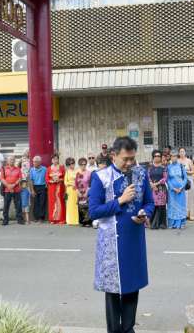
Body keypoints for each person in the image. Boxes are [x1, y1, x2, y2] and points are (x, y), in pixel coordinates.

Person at [88, 136, 154, 333]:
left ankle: (128, 328)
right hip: (111, 243)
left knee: (132, 286)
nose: (129, 163)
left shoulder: (141, 174)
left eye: (132, 158)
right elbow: (94, 211)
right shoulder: (101, 177)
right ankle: (114, 330)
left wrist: (145, 213)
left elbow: (149, 202)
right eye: (125, 159)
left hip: (134, 239)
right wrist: (121, 200)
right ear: (113, 155)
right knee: (113, 290)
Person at [167, 150, 188, 229]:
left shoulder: (181, 166)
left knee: (181, 205)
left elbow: (185, 178)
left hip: (181, 190)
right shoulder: (168, 167)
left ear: (177, 157)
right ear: (170, 157)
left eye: (175, 156)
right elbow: (167, 179)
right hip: (172, 190)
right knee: (172, 206)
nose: (174, 158)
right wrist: (173, 188)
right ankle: (172, 224)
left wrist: (181, 187)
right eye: (172, 156)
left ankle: (181, 223)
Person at [0, 156, 23, 225]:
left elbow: (20, 178)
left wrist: (13, 185)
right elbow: (2, 179)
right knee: (6, 206)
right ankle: (5, 220)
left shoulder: (18, 169)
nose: (12, 161)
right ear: (7, 161)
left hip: (16, 190)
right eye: (10, 160)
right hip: (7, 190)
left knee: (18, 205)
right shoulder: (3, 169)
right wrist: (8, 186)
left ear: (15, 161)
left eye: (13, 160)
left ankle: (19, 220)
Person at [148, 150, 167, 229]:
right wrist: (152, 184)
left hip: (161, 189)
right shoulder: (150, 168)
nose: (157, 157)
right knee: (153, 205)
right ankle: (153, 223)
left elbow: (165, 178)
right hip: (152, 189)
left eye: (159, 156)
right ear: (153, 157)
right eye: (155, 156)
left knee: (161, 206)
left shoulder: (163, 168)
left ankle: (161, 224)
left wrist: (156, 184)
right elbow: (147, 177)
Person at [46, 154, 66, 225]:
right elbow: (46, 178)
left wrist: (59, 179)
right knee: (52, 202)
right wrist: (51, 181)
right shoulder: (49, 168)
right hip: (52, 187)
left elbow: (65, 177)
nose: (55, 160)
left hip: (59, 187)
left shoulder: (61, 168)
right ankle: (52, 219)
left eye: (56, 159)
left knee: (60, 202)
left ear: (58, 159)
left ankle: (61, 219)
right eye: (53, 159)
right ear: (51, 160)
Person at [179, 148, 194, 221]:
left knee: (190, 198)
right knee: (182, 198)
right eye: (180, 151)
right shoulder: (177, 161)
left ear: (185, 152)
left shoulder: (189, 161)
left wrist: (186, 172)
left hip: (188, 181)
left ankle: (191, 214)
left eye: (183, 151)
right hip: (180, 181)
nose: (182, 153)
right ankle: (183, 214)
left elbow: (193, 171)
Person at [29, 155, 47, 223]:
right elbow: (31, 180)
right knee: (36, 203)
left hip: (43, 187)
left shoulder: (44, 169)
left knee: (42, 203)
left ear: (39, 162)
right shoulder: (32, 169)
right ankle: (36, 217)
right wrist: (32, 190)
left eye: (35, 162)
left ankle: (41, 218)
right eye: (33, 162)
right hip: (35, 187)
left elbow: (47, 178)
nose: (34, 163)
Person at [76, 157, 92, 227]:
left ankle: (88, 222)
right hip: (80, 192)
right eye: (81, 164)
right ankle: (82, 221)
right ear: (79, 165)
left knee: (87, 206)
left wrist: (87, 192)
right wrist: (78, 192)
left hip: (86, 191)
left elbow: (90, 184)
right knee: (80, 206)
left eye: (84, 164)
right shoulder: (77, 173)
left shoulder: (89, 173)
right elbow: (75, 184)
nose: (83, 166)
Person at [64, 157, 79, 225]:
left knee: (76, 204)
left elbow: (79, 180)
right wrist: (71, 184)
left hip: (76, 190)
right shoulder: (67, 172)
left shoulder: (77, 171)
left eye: (73, 163)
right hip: (69, 190)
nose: (72, 165)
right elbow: (65, 182)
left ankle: (76, 220)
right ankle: (69, 220)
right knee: (69, 204)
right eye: (70, 164)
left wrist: (76, 184)